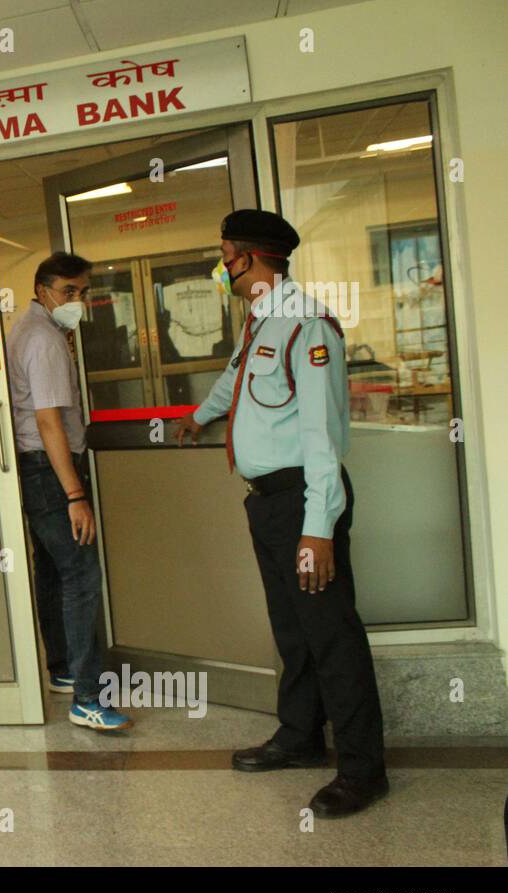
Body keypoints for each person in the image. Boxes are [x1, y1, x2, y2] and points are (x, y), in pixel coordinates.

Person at [175, 209, 387, 817]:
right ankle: (300, 738)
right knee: (294, 633)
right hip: (268, 504)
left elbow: (322, 436)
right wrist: (202, 415)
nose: (221, 267)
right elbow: (235, 378)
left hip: (303, 502)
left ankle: (364, 771)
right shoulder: (261, 320)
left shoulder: (306, 325)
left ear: (247, 257)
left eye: (224, 255)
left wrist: (317, 529)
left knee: (332, 637)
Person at [8, 252, 130, 731]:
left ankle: (61, 669)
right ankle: (87, 697)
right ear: (42, 290)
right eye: (68, 292)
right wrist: (76, 495)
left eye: (83, 292)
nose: (77, 301)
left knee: (54, 571)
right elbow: (49, 421)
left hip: (37, 467)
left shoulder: (31, 330)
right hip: (51, 469)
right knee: (80, 574)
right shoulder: (44, 341)